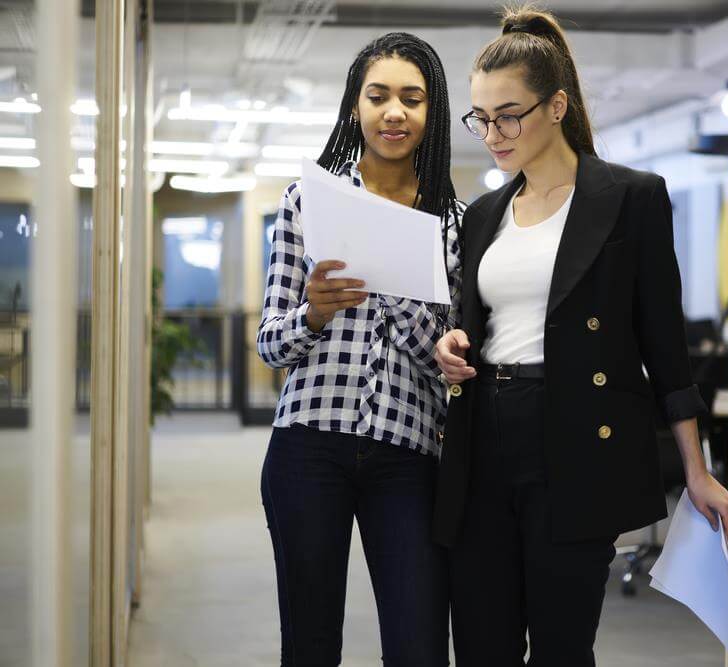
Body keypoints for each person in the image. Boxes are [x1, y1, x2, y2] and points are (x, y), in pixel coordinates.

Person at [432, 7, 728, 666]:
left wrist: (697, 471)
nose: (492, 132)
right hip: (483, 434)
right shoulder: (483, 213)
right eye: (480, 117)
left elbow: (665, 347)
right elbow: (473, 321)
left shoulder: (630, 198)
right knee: (482, 643)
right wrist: (453, 347)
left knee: (563, 645)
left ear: (557, 104)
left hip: (575, 438)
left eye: (508, 113)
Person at [256, 32, 462, 667]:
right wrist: (314, 313)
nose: (394, 112)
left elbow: (447, 365)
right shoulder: (307, 203)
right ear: (355, 107)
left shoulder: (454, 223)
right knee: (311, 644)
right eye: (378, 97)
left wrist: (390, 285)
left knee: (418, 645)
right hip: (308, 444)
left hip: (409, 455)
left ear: (432, 114)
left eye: (411, 98)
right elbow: (270, 342)